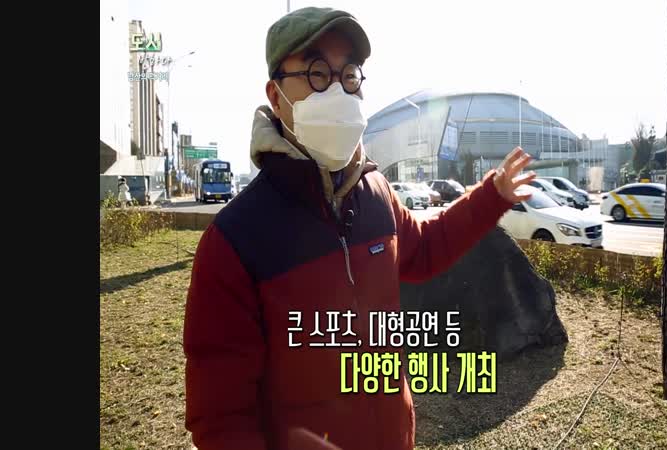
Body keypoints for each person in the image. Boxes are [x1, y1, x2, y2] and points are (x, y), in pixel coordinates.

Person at [182, 6, 536, 450]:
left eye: (349, 75)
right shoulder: (236, 239)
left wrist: (491, 197)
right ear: (275, 95)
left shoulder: (376, 192)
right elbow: (221, 418)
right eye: (317, 73)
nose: (338, 90)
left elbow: (425, 249)